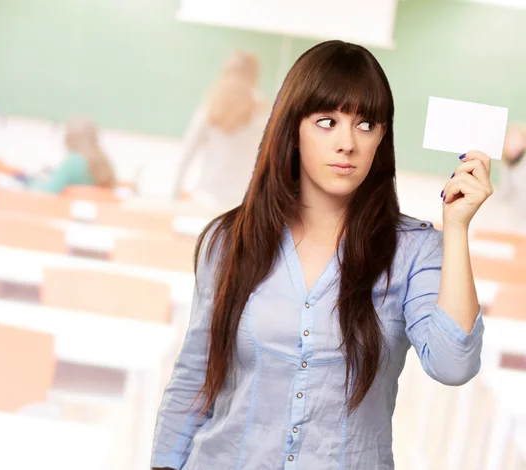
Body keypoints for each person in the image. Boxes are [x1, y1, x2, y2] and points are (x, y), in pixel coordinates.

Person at [151, 41, 492, 469]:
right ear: (292, 127)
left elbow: (453, 365)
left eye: (366, 124)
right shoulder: (230, 239)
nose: (347, 143)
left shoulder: (415, 250)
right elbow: (195, 377)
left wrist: (456, 227)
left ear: (382, 136)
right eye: (327, 122)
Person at [172, 50, 269, 208]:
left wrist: (174, 196)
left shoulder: (211, 106)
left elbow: (186, 154)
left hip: (205, 200)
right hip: (244, 202)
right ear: (255, 75)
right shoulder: (262, 112)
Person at [27, 116, 116, 193]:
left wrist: (31, 182)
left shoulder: (74, 162)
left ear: (69, 137)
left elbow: (48, 191)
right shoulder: (104, 162)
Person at [498, 122, 526, 216]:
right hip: (513, 213)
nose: (513, 144)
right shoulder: (506, 164)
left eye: (518, 140)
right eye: (509, 140)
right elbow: (505, 193)